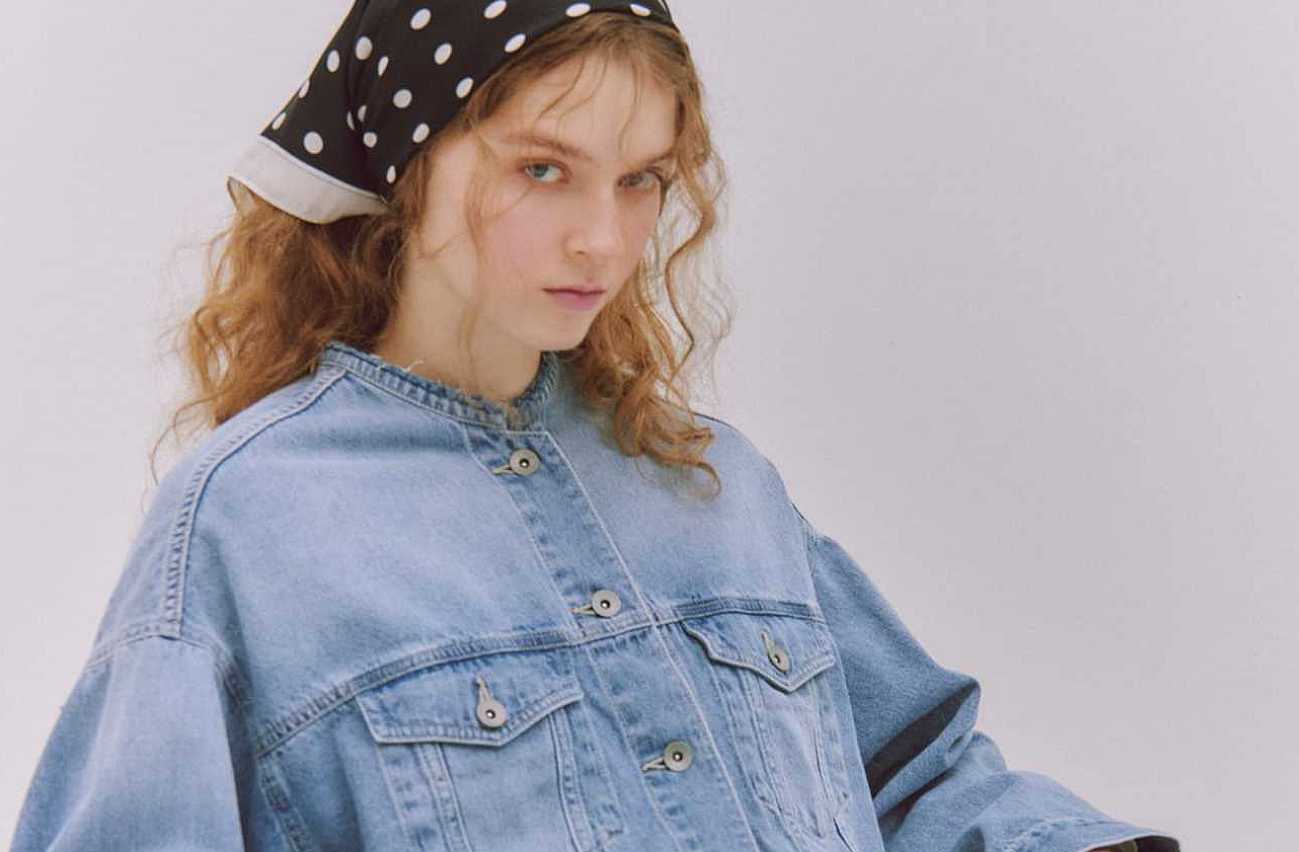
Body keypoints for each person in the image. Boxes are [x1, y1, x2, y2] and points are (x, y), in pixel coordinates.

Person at [10, 2, 1181, 850]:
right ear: (409, 166)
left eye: (640, 181)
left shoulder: (715, 482)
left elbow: (914, 779)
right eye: (542, 170)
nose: (604, 241)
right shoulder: (249, 524)